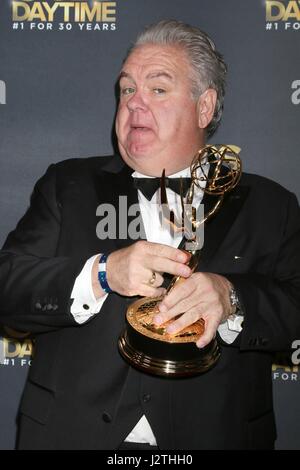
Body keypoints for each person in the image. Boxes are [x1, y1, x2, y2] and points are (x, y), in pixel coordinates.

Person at [0, 19, 300, 450]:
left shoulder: (273, 205)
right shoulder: (67, 185)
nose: (134, 104)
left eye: (158, 89)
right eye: (126, 90)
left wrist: (232, 297)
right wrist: (100, 274)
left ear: (204, 106)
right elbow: (8, 288)